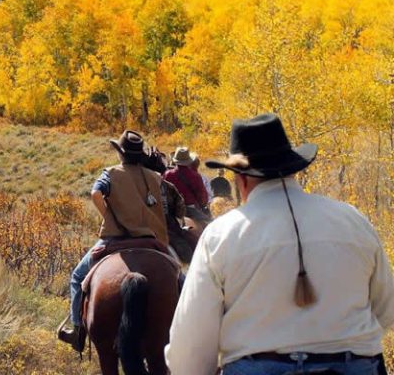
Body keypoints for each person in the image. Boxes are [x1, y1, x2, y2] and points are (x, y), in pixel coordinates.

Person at [165, 113, 394, 375]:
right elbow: (386, 309)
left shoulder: (220, 235)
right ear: (293, 169)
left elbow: (191, 350)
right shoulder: (352, 219)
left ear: (241, 179)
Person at [57, 130, 184, 352]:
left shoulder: (111, 174)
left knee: (77, 277)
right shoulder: (155, 177)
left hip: (116, 238)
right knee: (180, 278)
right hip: (151, 239)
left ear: (121, 153)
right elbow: (172, 205)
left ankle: (77, 331)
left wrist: (109, 215)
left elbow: (95, 193)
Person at [164, 146, 210, 220]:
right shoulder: (196, 176)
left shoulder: (167, 174)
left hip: (171, 209)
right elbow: (203, 198)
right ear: (188, 161)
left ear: (175, 160)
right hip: (191, 210)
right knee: (209, 223)